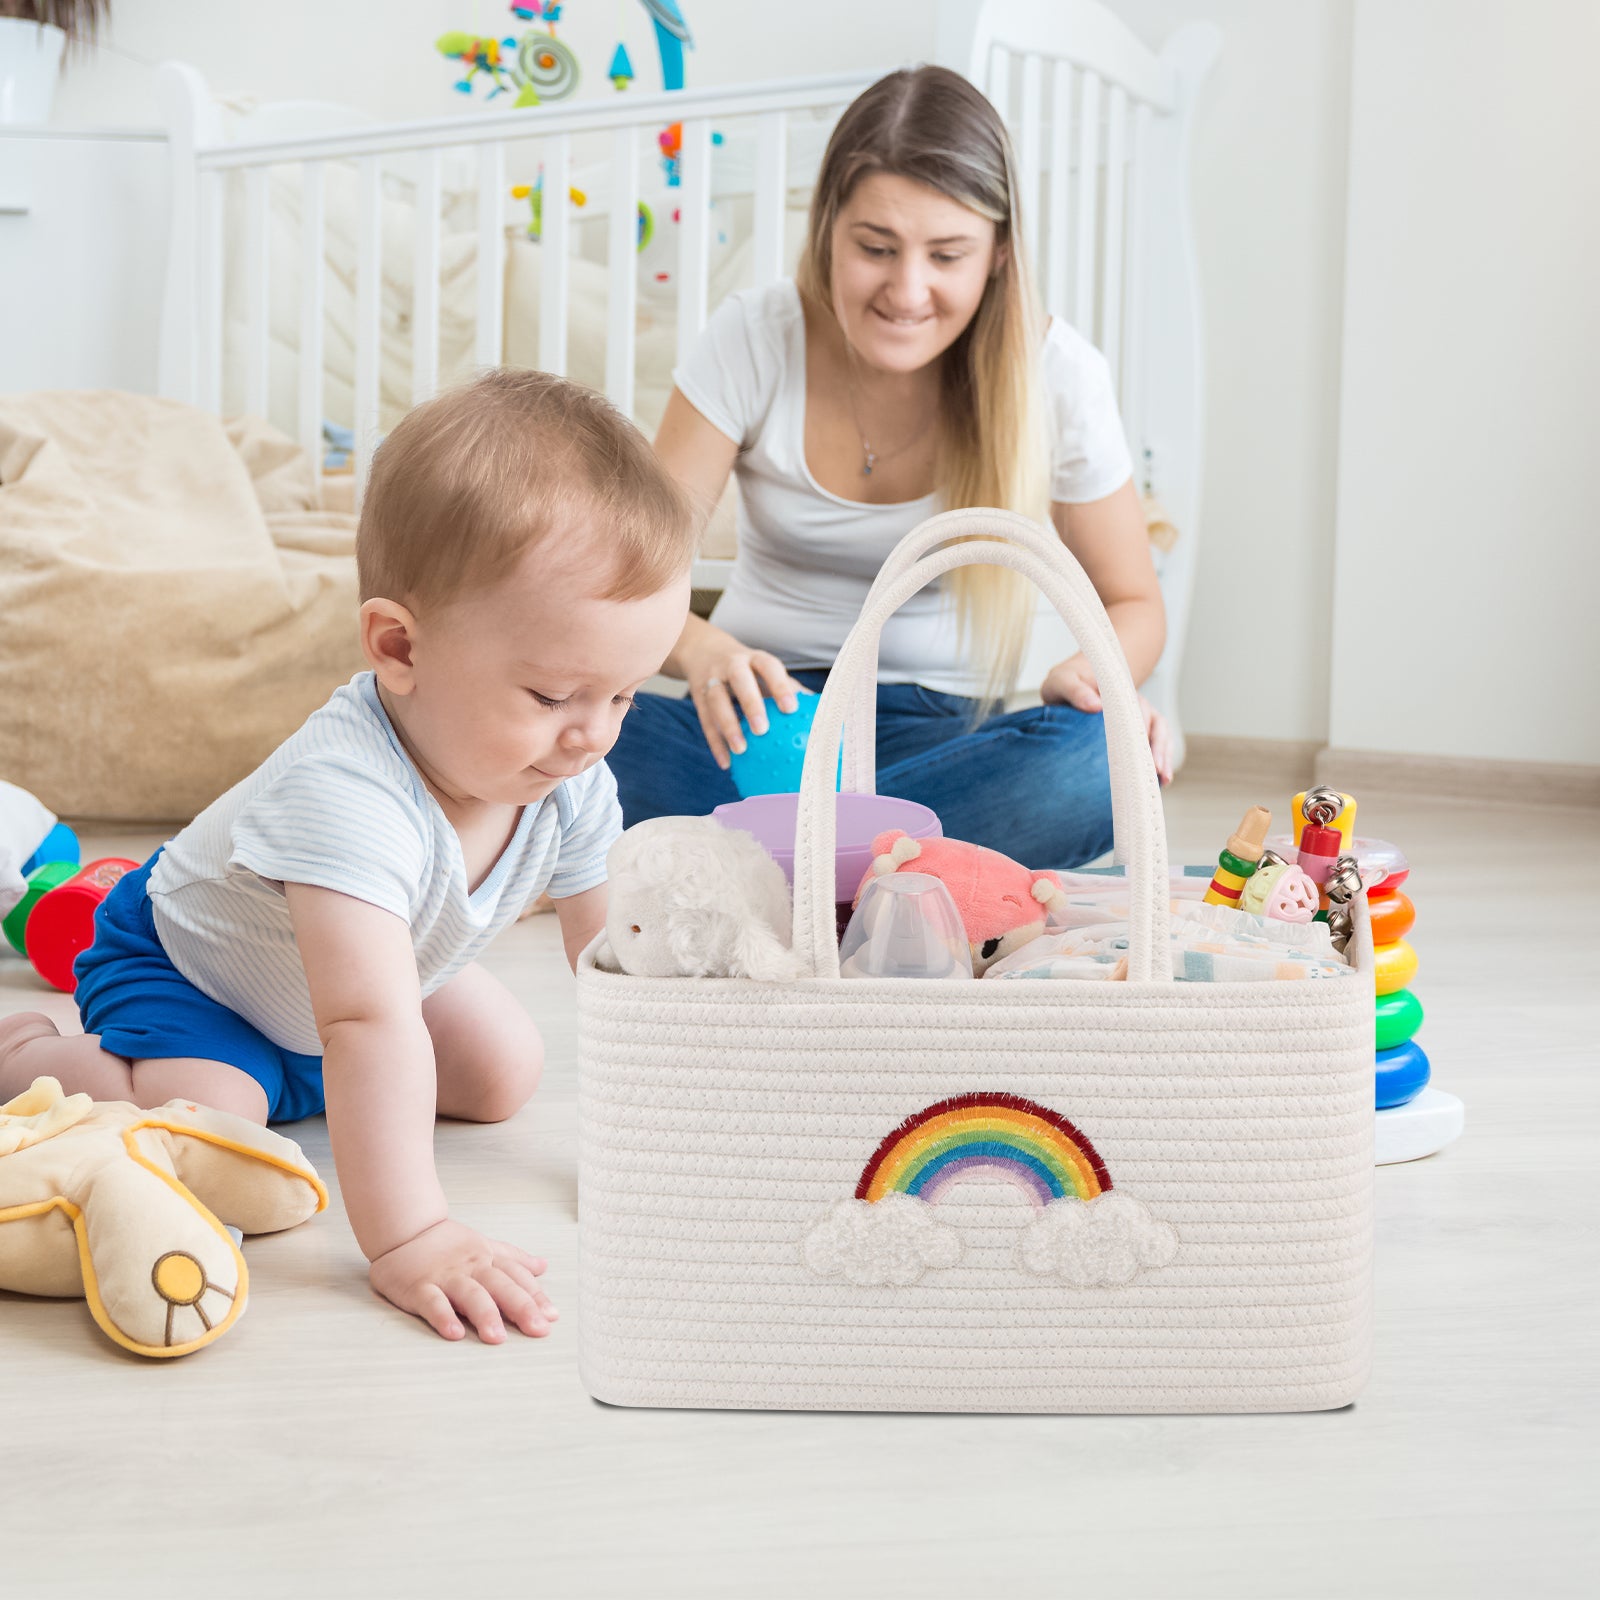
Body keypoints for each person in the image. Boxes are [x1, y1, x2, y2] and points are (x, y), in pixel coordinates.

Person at [0, 370, 694, 1345]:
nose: (593, 736)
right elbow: (367, 1022)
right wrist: (411, 1234)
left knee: (503, 1072)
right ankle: (41, 1051)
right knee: (210, 1118)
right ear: (398, 646)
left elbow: (611, 968)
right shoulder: (345, 795)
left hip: (365, 981)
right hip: (197, 974)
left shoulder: (569, 776)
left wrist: (672, 1133)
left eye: (622, 696)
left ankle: (310, 1083)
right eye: (552, 696)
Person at [608, 65, 1172, 869]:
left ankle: (766, 861)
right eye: (876, 248)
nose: (908, 291)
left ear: (999, 253)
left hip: (942, 727)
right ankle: (891, 866)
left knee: (1099, 762)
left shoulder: (1059, 375)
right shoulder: (754, 337)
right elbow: (634, 576)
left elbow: (1133, 600)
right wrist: (703, 651)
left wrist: (1095, 677)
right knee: (570, 727)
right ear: (828, 229)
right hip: (760, 717)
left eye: (947, 255)